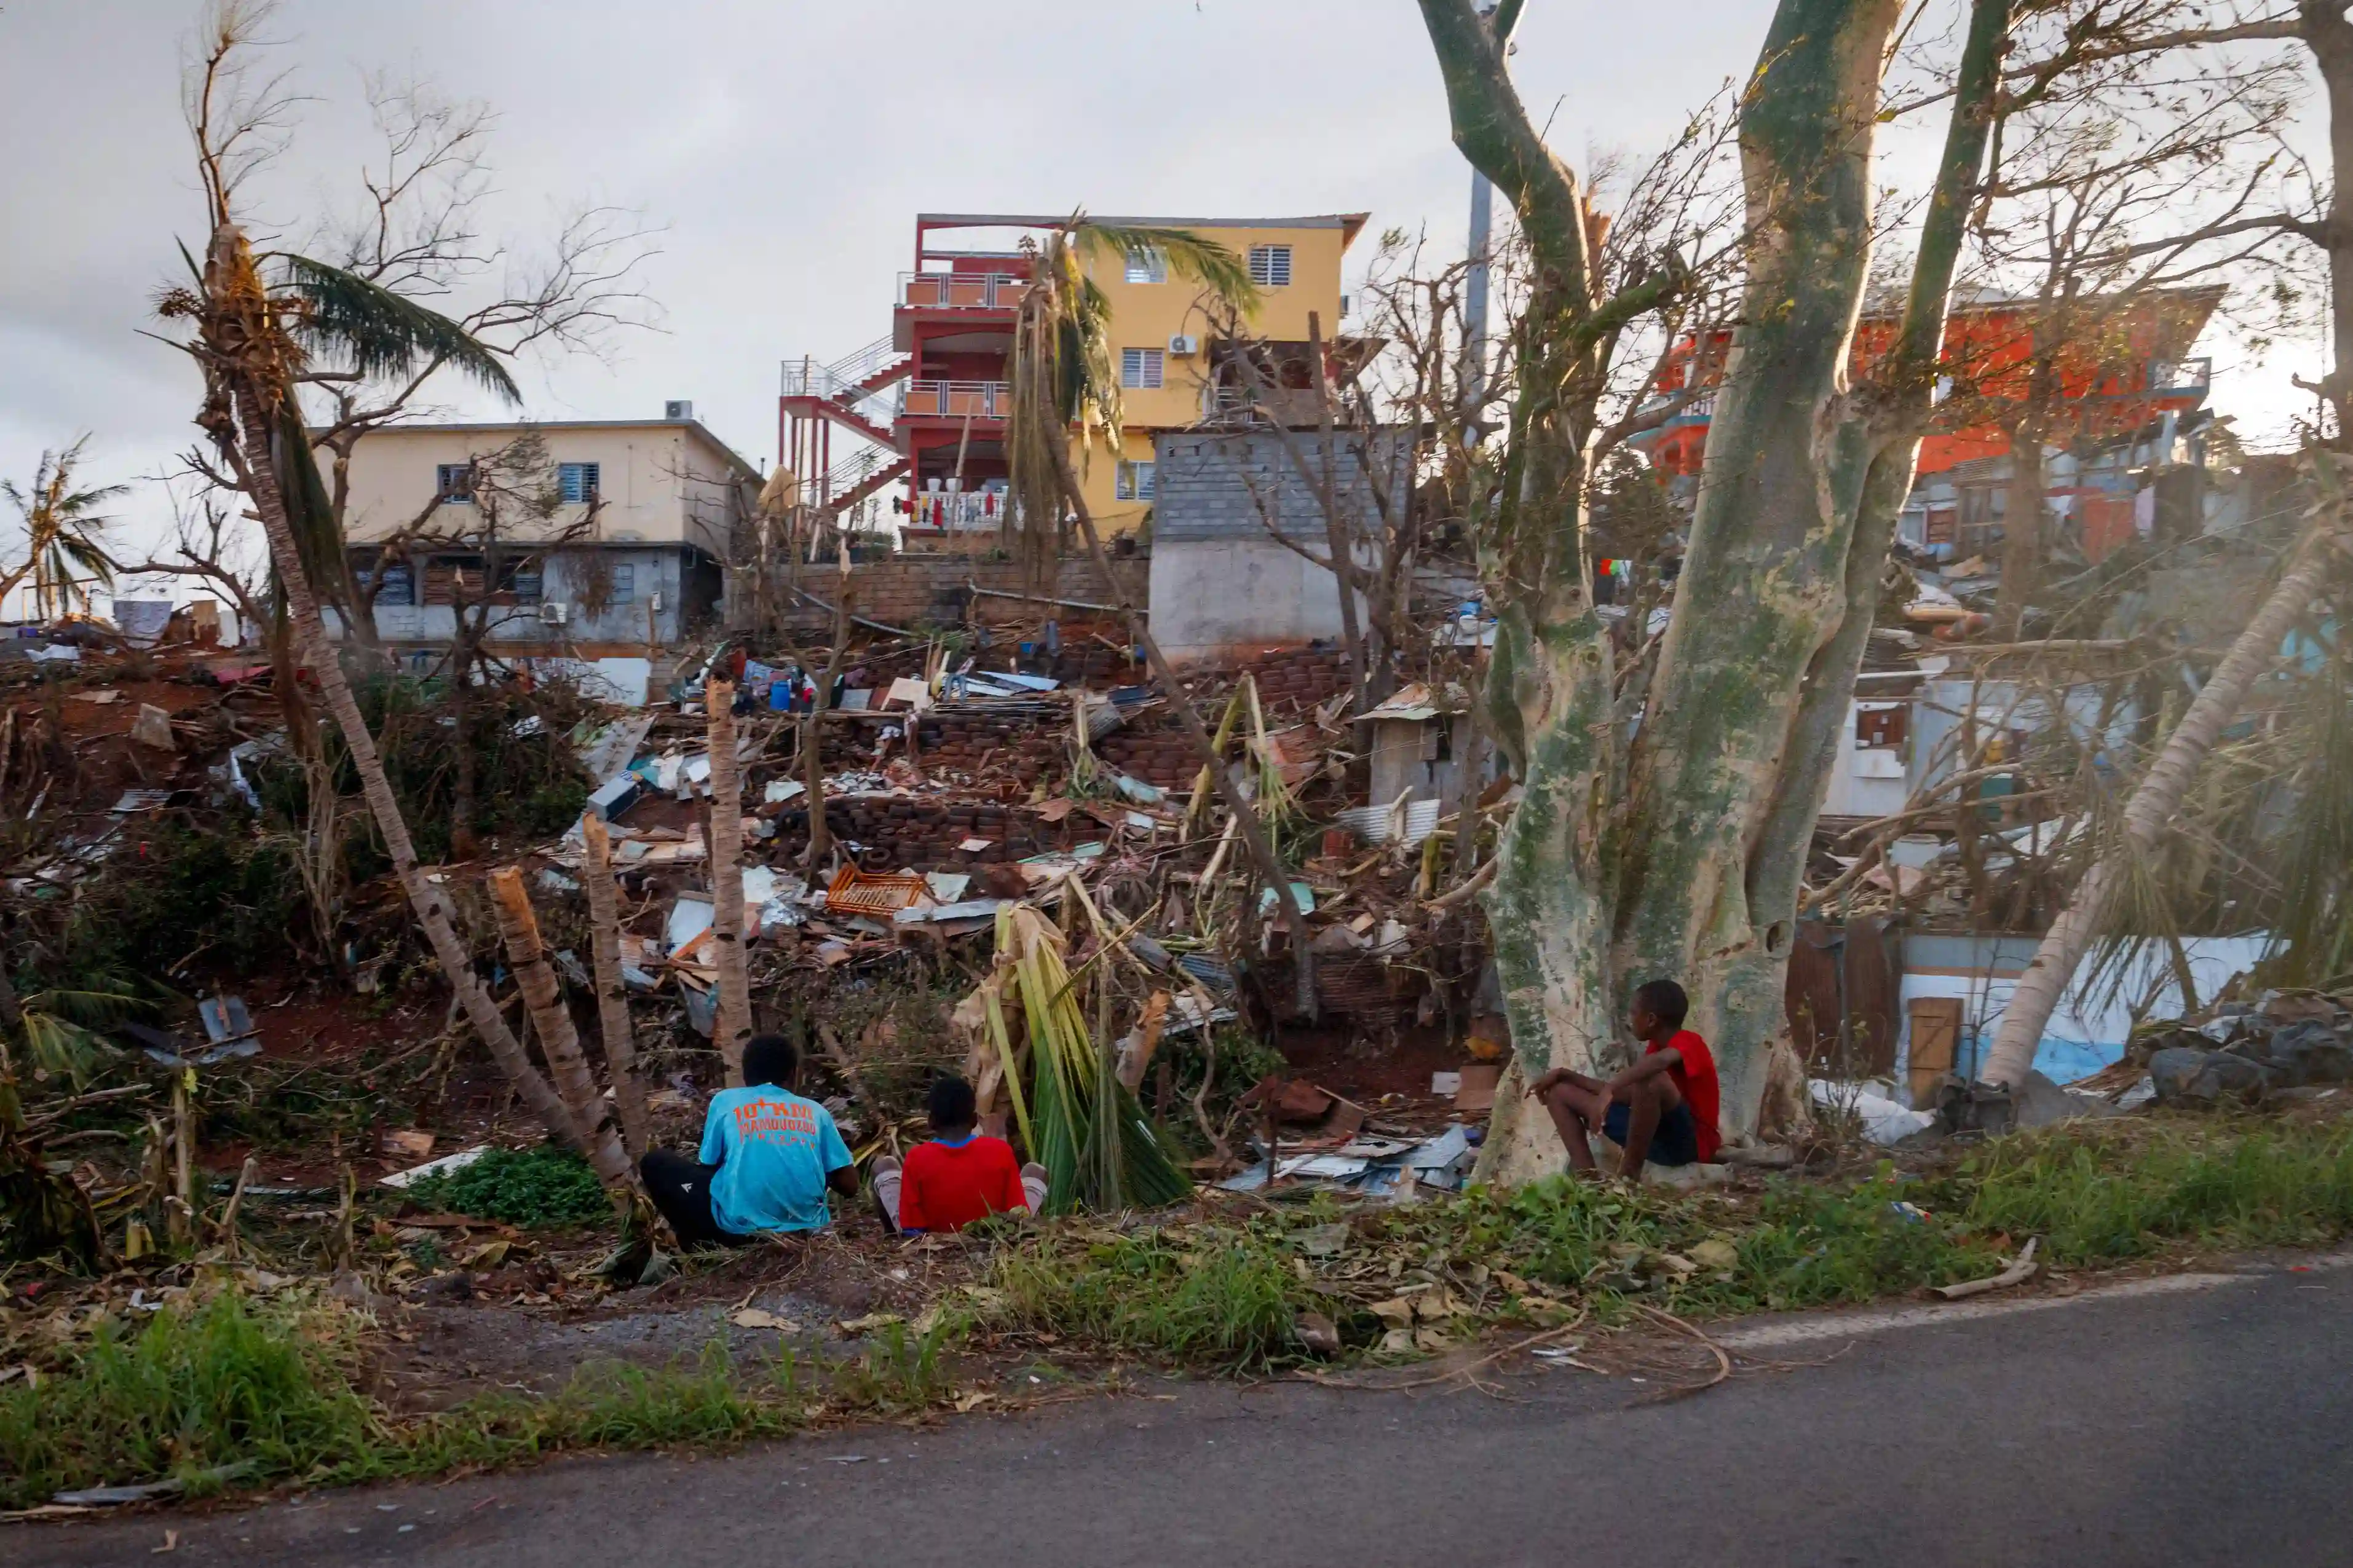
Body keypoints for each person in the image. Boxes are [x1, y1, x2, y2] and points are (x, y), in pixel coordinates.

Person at [639, 1034, 858, 1247]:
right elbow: (851, 1186)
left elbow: (709, 1165)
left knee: (655, 1162)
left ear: (745, 1076)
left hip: (740, 1232)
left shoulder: (726, 1101)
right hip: (806, 1228)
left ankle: (697, 1245)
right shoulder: (816, 1112)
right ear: (794, 1074)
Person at [1525, 979, 1722, 1183]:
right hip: (1656, 1139)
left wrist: (1611, 1087)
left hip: (1691, 1144)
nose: (1629, 1020)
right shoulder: (1654, 1050)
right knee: (1559, 1092)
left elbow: (1659, 1065)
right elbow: (1633, 1097)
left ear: (1651, 1020)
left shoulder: (1689, 1042)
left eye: (1633, 1013)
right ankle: (1589, 1182)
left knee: (1650, 1078)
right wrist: (1566, 1075)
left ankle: (1629, 1176)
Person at [869, 1074, 1047, 1234]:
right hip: (995, 1234)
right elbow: (1017, 1213)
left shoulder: (917, 1157)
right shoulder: (1000, 1150)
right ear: (974, 1120)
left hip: (931, 1238)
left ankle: (892, 1237)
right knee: (1036, 1172)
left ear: (931, 1122)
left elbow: (912, 1227)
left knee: (883, 1166)